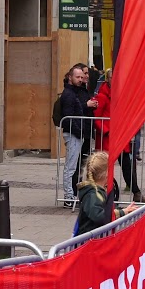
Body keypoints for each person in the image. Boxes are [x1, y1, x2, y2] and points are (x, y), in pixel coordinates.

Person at [89, 69, 145, 204]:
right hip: (107, 138)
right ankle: (103, 194)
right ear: (107, 79)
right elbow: (96, 118)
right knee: (104, 169)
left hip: (119, 137)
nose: (115, 80)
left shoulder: (120, 95)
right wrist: (106, 131)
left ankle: (136, 192)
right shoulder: (102, 96)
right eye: (112, 77)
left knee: (126, 166)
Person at [58, 63, 92, 207]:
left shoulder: (73, 92)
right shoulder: (69, 94)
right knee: (70, 167)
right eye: (77, 77)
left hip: (75, 133)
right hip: (73, 134)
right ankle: (68, 196)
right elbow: (69, 118)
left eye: (81, 77)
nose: (80, 79)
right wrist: (79, 132)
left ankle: (70, 195)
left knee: (72, 166)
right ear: (70, 77)